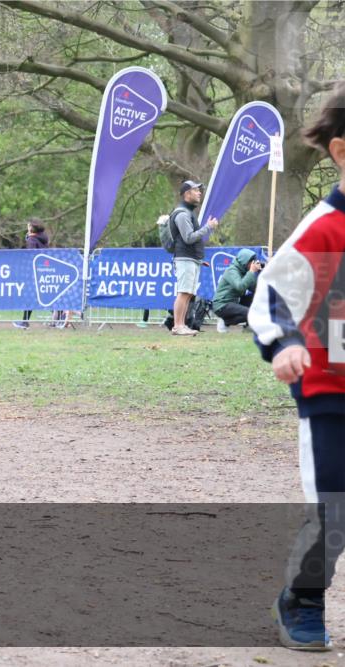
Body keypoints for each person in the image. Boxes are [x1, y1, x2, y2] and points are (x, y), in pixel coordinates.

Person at [248, 82, 345, 652]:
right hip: (330, 391)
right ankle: (302, 599)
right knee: (334, 507)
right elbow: (272, 294)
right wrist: (284, 341)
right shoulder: (324, 229)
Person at [168, 180, 219, 336]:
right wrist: (208, 227)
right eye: (196, 190)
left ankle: (181, 325)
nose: (199, 193)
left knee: (188, 293)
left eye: (199, 190)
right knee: (184, 292)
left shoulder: (188, 212)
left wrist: (197, 259)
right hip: (185, 259)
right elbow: (189, 238)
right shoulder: (182, 214)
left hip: (190, 259)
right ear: (187, 194)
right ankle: (177, 326)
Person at [213, 248, 262, 332]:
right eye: (251, 262)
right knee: (250, 313)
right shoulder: (232, 271)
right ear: (244, 261)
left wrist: (260, 272)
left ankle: (248, 325)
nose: (252, 264)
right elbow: (240, 287)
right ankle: (225, 321)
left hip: (234, 302)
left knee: (257, 298)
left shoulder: (244, 271)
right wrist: (250, 272)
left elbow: (255, 288)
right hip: (222, 304)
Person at [14, 220, 48, 329]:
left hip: (34, 272)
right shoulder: (42, 238)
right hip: (43, 269)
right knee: (46, 296)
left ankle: (25, 322)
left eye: (28, 226)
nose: (27, 227)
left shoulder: (32, 240)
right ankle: (60, 317)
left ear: (32, 228)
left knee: (32, 297)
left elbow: (30, 255)